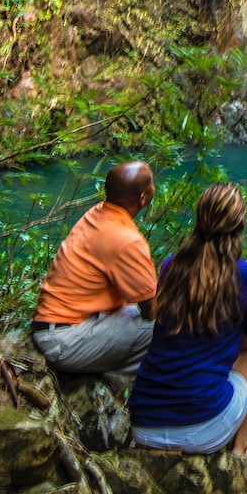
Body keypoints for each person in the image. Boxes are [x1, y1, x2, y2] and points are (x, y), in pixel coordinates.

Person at [129, 182, 247, 455]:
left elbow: (207, 286)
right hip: (202, 431)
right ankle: (240, 447)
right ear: (241, 223)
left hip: (144, 426)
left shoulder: (171, 265)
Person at [31, 161, 161, 379]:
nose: (154, 188)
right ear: (142, 199)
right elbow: (151, 311)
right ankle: (121, 378)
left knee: (136, 312)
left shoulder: (97, 214)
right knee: (168, 324)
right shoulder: (127, 240)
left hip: (53, 327)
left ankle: (108, 372)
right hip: (64, 341)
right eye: (151, 185)